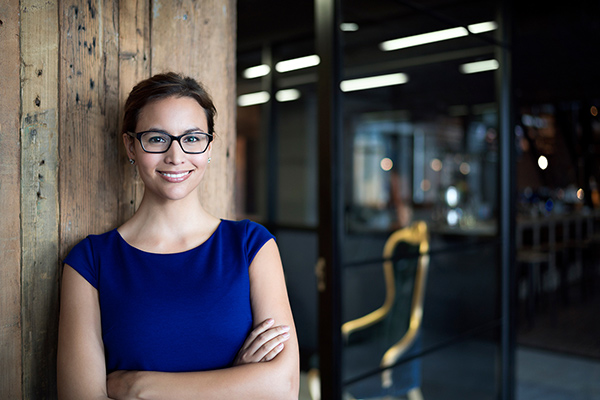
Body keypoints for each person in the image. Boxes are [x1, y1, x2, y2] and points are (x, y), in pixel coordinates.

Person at [57, 72, 299, 400]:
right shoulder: (90, 261)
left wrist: (136, 388)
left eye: (193, 138)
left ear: (209, 146)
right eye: (157, 139)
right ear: (131, 145)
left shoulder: (251, 245)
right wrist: (238, 382)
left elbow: (283, 387)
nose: (176, 155)